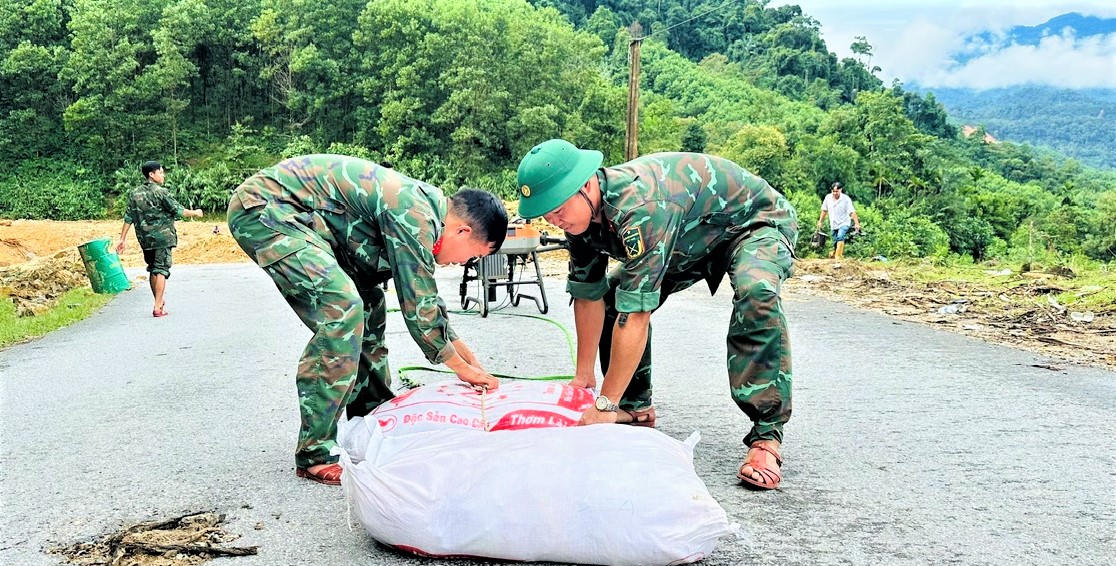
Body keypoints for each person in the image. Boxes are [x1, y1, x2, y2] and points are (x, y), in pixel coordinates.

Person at [515, 140, 797, 490]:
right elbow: (589, 296)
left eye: (557, 210)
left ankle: (766, 437)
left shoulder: (641, 207)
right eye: (546, 215)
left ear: (586, 186)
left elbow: (637, 315)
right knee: (615, 296)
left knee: (757, 292)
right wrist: (584, 377)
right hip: (688, 239)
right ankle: (635, 405)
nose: (553, 221)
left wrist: (604, 404)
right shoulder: (578, 220)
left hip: (753, 224)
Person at [227, 154, 505, 485]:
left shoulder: (426, 211)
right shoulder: (415, 213)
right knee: (341, 308)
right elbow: (418, 304)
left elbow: (427, 301)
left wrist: (466, 356)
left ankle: (372, 417)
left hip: (306, 221)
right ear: (462, 230)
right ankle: (314, 451)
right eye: (473, 255)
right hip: (266, 210)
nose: (464, 262)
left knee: (370, 303)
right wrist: (463, 369)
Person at [116, 161, 204, 316]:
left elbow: (128, 217)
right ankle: (158, 307)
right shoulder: (161, 192)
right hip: (163, 238)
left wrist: (122, 239)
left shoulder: (134, 194)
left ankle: (158, 300)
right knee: (161, 269)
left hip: (145, 239)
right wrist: (195, 213)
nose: (163, 175)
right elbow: (178, 211)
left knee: (152, 269)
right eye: (161, 172)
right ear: (151, 174)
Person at [816, 182, 860, 260]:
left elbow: (852, 212)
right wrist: (820, 221)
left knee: (840, 236)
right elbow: (824, 210)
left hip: (844, 222)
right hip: (833, 223)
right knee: (835, 241)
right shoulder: (828, 198)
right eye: (833, 191)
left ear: (841, 190)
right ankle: (834, 253)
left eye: (837, 191)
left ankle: (838, 257)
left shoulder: (846, 199)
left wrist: (856, 223)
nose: (835, 193)